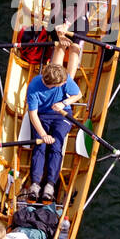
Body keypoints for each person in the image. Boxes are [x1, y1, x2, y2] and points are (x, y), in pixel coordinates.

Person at [25, 61, 82, 202]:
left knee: (56, 145)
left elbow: (78, 95)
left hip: (62, 114)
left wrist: (63, 103)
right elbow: (33, 115)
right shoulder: (34, 87)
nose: (63, 84)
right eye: (60, 85)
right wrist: (43, 135)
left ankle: (50, 185)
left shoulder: (64, 77)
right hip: (42, 116)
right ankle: (35, 184)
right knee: (40, 145)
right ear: (50, 84)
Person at [46, 0, 89, 78]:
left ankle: (68, 81)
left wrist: (67, 25)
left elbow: (80, 5)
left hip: (78, 17)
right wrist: (60, 33)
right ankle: (55, 79)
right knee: (60, 46)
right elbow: (55, 10)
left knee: (75, 48)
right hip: (58, 20)